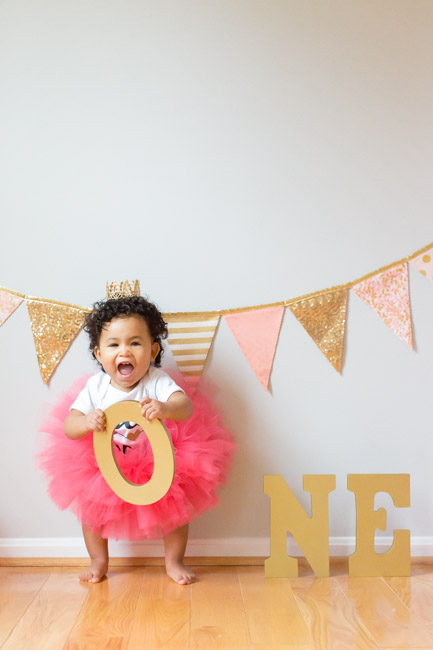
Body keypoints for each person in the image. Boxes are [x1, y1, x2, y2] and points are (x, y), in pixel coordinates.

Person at [38, 285, 235, 585]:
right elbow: (69, 426)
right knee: (92, 512)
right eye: (114, 345)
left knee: (175, 510)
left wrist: (165, 408)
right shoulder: (96, 387)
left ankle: (174, 560)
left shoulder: (157, 381)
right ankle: (99, 560)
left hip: (156, 461)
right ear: (99, 353)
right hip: (106, 463)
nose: (124, 351)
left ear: (153, 350)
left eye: (135, 343)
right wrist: (87, 421)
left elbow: (185, 407)